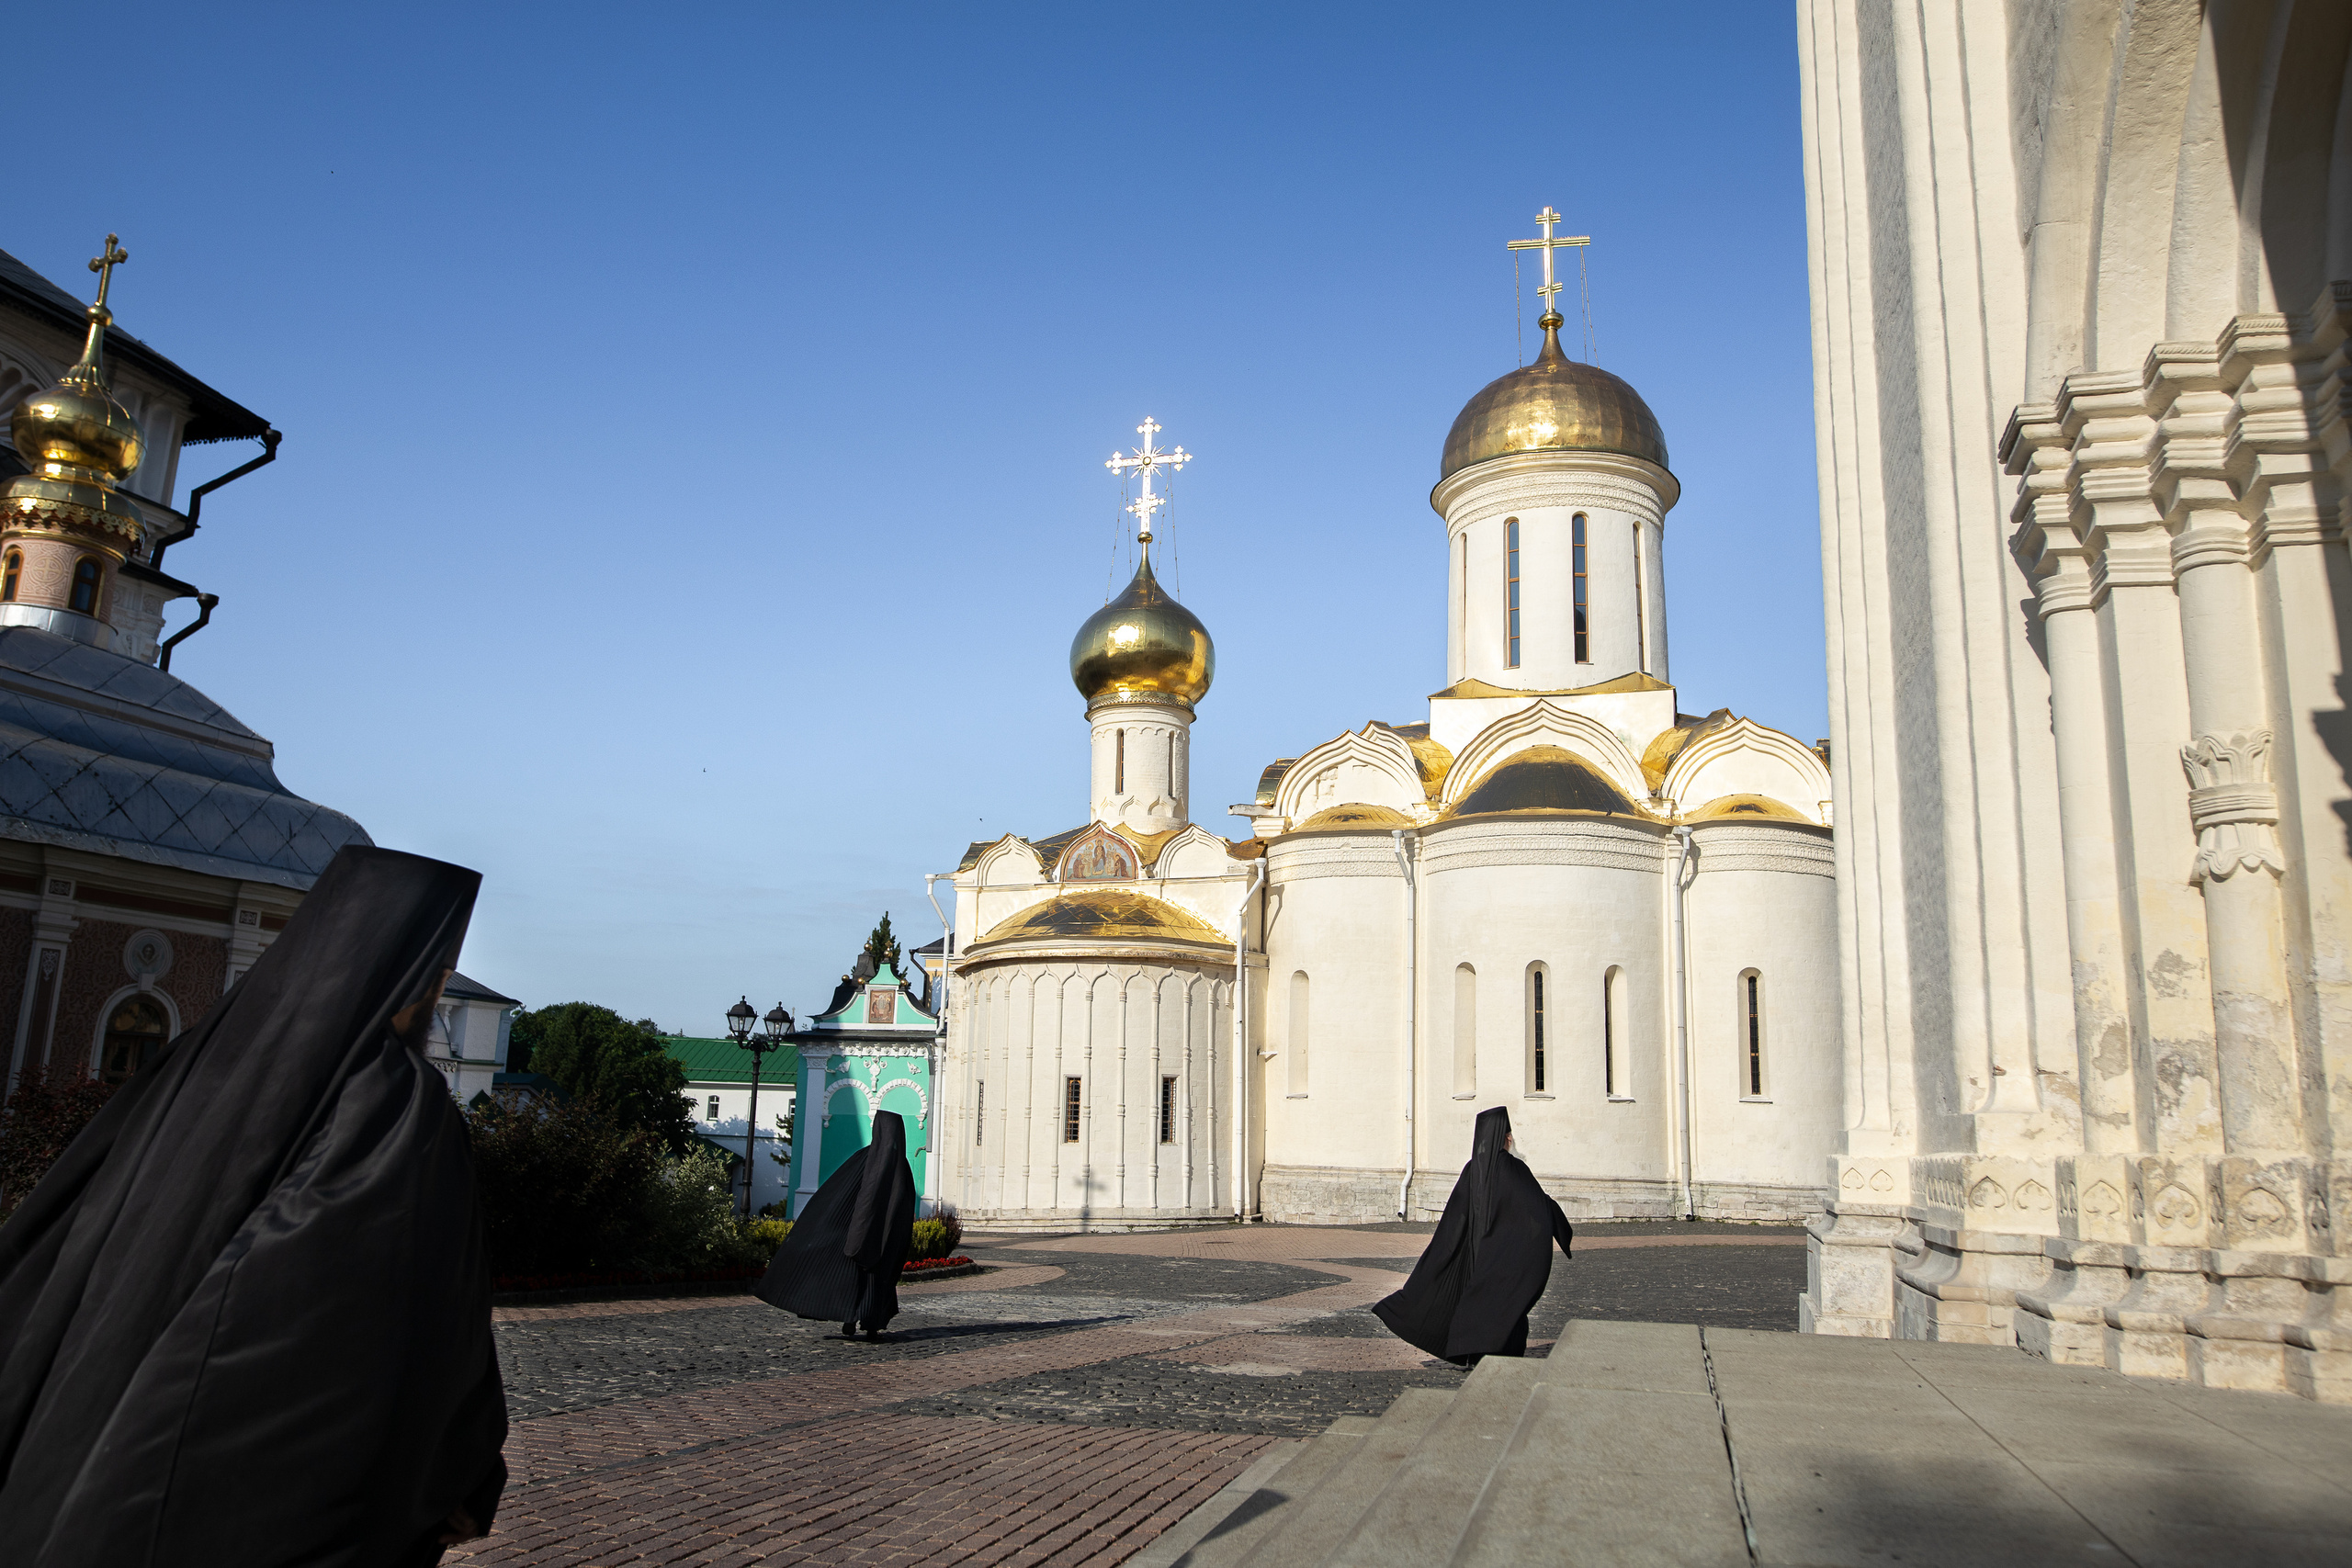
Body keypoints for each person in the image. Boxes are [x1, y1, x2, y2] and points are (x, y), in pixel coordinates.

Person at [0, 845, 508, 1566]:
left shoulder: (199, 1062)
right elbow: (409, 1308)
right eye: (443, 961)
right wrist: (465, 1466)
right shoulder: (393, 1103)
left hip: (78, 1429)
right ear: (420, 965)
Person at [1373, 1106, 1574, 1364]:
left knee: (1470, 1299)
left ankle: (1468, 1352)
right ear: (1505, 1137)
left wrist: (1449, 1251)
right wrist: (1557, 1225)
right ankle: (1494, 1352)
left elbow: (1455, 1217)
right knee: (1501, 1304)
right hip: (1501, 1254)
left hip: (1473, 1250)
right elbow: (1537, 1206)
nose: (1511, 1140)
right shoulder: (1514, 1169)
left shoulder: (1472, 1170)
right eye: (1509, 1135)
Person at [755, 1109, 917, 1340]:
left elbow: (841, 1196)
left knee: (854, 1280)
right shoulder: (900, 1169)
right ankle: (869, 1325)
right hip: (881, 1241)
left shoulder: (865, 1160)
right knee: (873, 1283)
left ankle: (851, 1320)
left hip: (856, 1235)